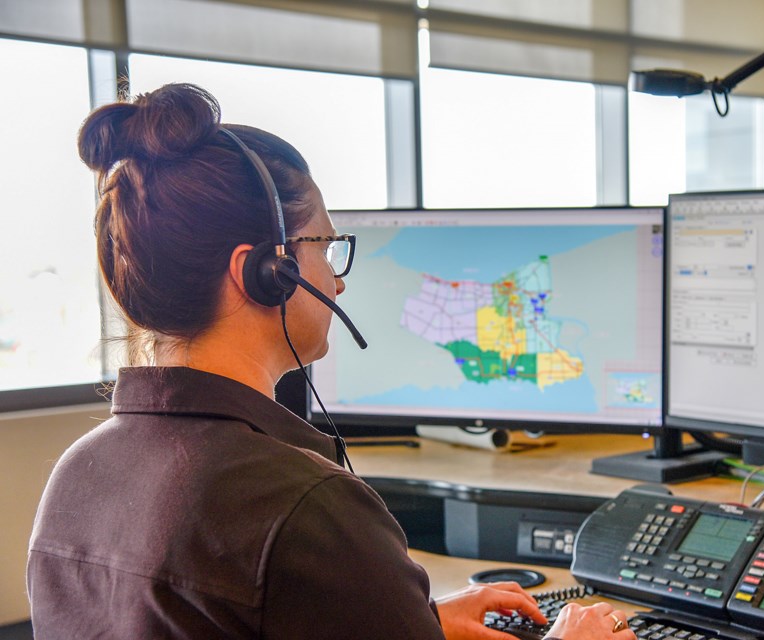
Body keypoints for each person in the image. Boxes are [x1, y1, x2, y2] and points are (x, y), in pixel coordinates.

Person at [26, 83, 634, 639]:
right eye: (326, 247)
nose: (337, 284)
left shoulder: (77, 475)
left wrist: (414, 623)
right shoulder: (307, 507)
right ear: (264, 273)